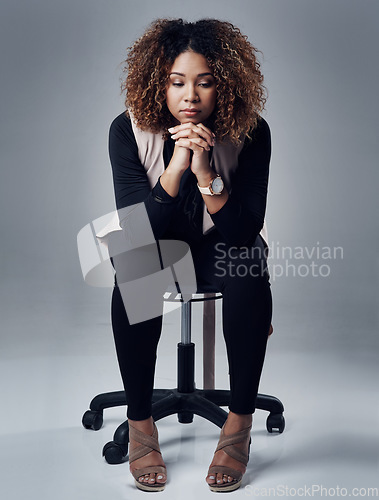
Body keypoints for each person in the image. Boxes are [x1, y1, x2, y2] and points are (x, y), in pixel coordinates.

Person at [101, 18, 273, 492]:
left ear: (226, 85)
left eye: (205, 81)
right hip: (156, 245)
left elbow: (243, 231)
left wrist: (205, 171)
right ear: (159, 82)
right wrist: (176, 166)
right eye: (177, 82)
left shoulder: (252, 132)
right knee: (134, 268)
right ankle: (141, 422)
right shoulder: (127, 130)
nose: (190, 96)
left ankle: (238, 423)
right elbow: (139, 232)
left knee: (246, 266)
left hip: (225, 245)